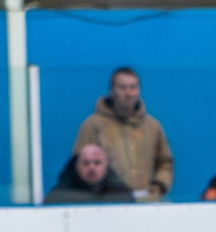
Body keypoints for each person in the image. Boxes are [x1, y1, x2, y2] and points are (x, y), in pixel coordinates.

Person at [73, 67, 173, 201]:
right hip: (109, 205)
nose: (129, 93)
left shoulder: (152, 126)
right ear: (112, 91)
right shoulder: (93, 126)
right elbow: (79, 165)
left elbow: (165, 162)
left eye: (133, 87)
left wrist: (159, 185)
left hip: (148, 204)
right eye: (122, 87)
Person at [46, 142, 136, 205]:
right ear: (76, 167)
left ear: (106, 166)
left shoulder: (122, 197)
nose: (92, 168)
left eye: (97, 163)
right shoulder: (57, 199)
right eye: (86, 163)